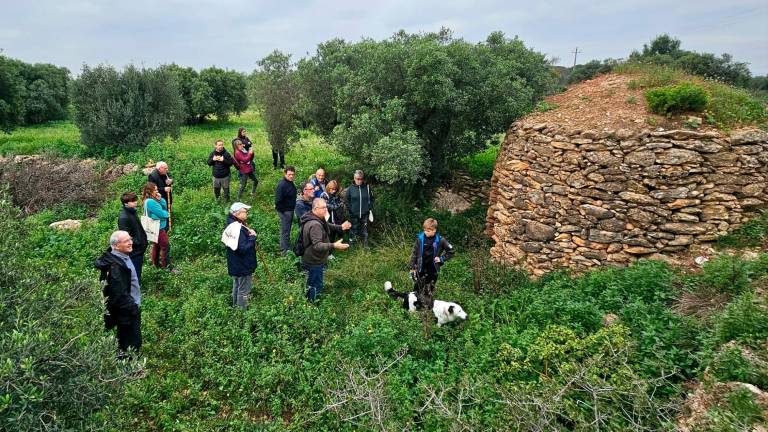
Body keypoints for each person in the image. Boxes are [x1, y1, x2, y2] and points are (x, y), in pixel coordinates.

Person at [95, 230, 142, 358]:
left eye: (130, 239)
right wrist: (133, 308)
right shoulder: (116, 266)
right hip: (126, 311)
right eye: (126, 241)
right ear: (115, 246)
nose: (130, 243)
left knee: (126, 339)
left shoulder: (120, 256)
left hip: (128, 308)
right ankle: (129, 371)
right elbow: (119, 294)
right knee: (131, 342)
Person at [299, 199, 352, 302]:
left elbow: (327, 226)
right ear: (315, 209)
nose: (326, 209)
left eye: (326, 207)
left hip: (313, 259)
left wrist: (341, 227)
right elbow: (317, 245)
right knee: (316, 284)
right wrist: (334, 245)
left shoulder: (315, 217)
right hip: (314, 260)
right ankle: (312, 305)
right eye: (323, 208)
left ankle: (309, 300)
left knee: (311, 281)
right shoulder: (315, 225)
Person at [408, 218, 455, 310]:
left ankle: (428, 309)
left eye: (428, 231)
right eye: (425, 230)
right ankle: (414, 307)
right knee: (417, 288)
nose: (426, 232)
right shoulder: (420, 239)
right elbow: (414, 253)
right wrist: (412, 267)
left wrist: (441, 259)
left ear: (434, 230)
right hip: (420, 268)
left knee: (429, 289)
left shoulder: (440, 240)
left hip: (433, 269)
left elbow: (451, 251)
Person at [222, 202, 257, 309]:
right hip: (243, 264)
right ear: (237, 213)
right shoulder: (237, 228)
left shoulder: (231, 224)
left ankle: (235, 307)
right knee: (244, 290)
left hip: (235, 263)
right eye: (244, 211)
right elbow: (242, 248)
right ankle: (242, 313)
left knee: (237, 285)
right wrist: (252, 238)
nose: (246, 213)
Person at [117, 192, 147, 281]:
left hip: (138, 250)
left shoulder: (132, 212)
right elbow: (125, 237)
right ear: (126, 203)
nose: (136, 202)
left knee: (137, 272)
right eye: (133, 201)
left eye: (135, 200)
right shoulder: (124, 217)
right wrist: (138, 242)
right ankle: (134, 292)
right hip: (134, 252)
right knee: (134, 274)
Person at [142, 182, 171, 270]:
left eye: (157, 189)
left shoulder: (153, 199)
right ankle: (167, 267)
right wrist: (167, 214)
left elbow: (164, 207)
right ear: (149, 191)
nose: (157, 191)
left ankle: (156, 264)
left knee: (157, 245)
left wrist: (160, 199)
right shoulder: (150, 202)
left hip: (158, 226)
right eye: (155, 190)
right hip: (158, 228)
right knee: (166, 246)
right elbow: (162, 213)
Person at [346, 170, 374, 247]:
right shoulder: (350, 189)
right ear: (354, 178)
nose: (359, 180)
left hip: (365, 213)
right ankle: (351, 246)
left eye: (361, 179)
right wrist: (351, 210)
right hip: (354, 214)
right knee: (353, 230)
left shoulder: (367, 188)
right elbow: (347, 200)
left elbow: (371, 199)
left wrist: (369, 207)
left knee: (365, 231)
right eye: (357, 178)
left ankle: (365, 246)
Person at [274, 166, 297, 256]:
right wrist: (284, 212)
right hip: (285, 211)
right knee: (285, 230)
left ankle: (287, 246)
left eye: (292, 174)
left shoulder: (290, 183)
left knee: (288, 229)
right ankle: (284, 250)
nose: (291, 176)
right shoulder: (282, 185)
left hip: (290, 209)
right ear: (285, 174)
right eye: (289, 174)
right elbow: (278, 201)